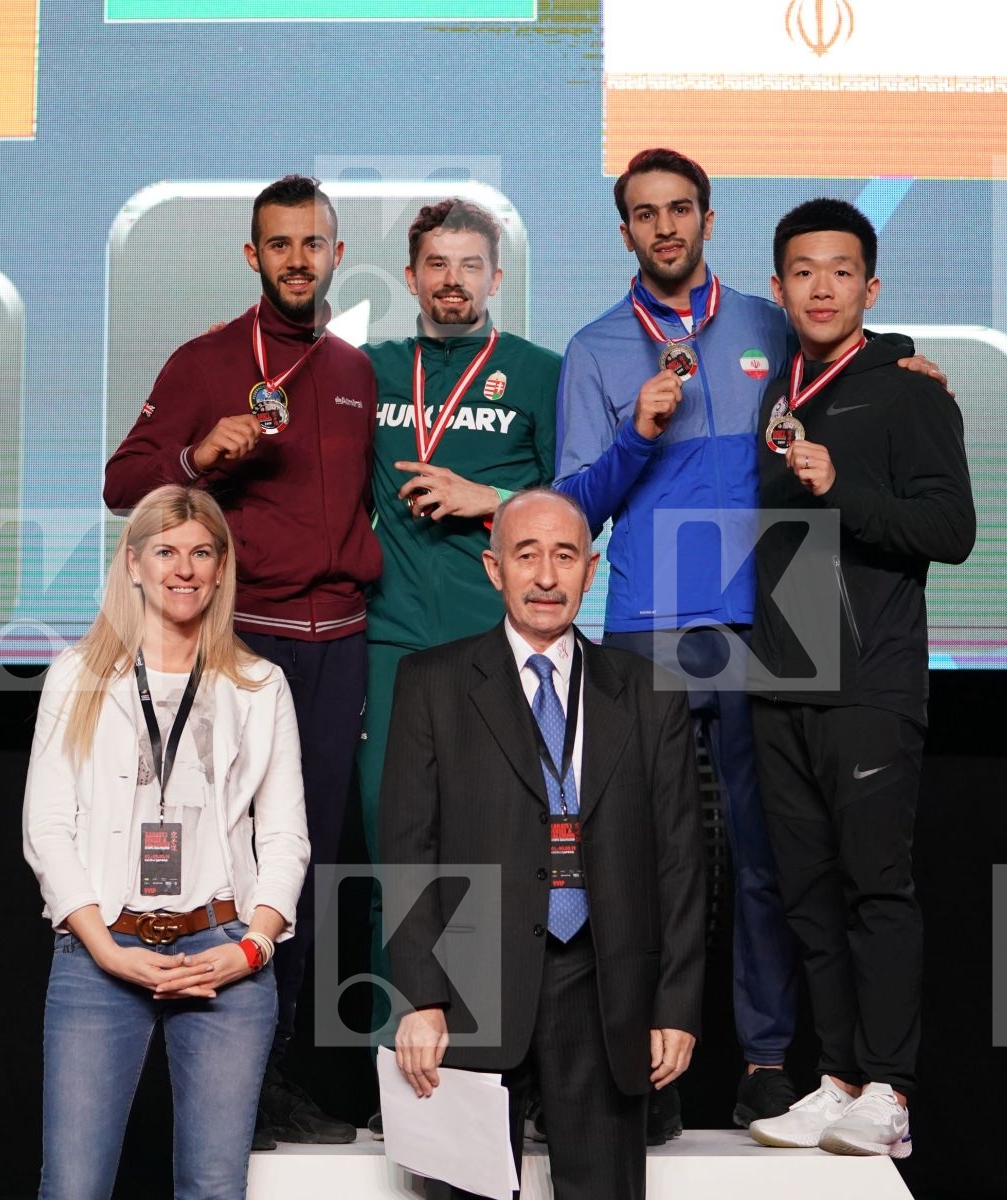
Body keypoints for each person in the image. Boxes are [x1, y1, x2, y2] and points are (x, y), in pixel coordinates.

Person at [553, 147, 949, 1134]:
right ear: (626, 232)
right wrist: (636, 437)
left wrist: (902, 351)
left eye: (680, 208)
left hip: (783, 617)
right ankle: (639, 1064)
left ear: (708, 217)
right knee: (637, 850)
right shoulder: (597, 347)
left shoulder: (773, 320)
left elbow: (846, 345)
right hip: (651, 616)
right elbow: (572, 509)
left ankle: (771, 1060)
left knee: (782, 857)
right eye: (645, 214)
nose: (665, 227)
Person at [102, 174, 376, 1145]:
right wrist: (193, 459)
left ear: (337, 255)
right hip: (244, 643)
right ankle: (225, 1075)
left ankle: (274, 1076)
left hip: (340, 646)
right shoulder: (207, 361)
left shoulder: (353, 368)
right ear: (252, 257)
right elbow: (121, 480)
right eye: (280, 244)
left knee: (307, 865)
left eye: (314, 244)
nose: (299, 259)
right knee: (229, 855)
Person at [382, 487, 706, 1199]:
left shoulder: (650, 693)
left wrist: (674, 1005)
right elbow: (407, 852)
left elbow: (682, 861)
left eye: (565, 557)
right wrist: (421, 996)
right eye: (527, 556)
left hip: (605, 989)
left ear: (592, 571)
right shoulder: (430, 683)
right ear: (494, 569)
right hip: (467, 992)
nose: (547, 576)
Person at [744, 198, 975, 1160]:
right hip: (784, 680)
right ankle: (836, 1075)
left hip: (871, 686)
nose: (822, 287)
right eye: (803, 271)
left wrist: (844, 486)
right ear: (779, 288)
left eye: (841, 271)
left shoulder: (912, 389)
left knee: (877, 888)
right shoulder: (781, 390)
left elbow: (950, 533)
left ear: (870, 287)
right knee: (807, 892)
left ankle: (890, 1090)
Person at [22, 485, 310, 1197]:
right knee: (73, 1186)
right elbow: (46, 829)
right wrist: (105, 950)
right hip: (100, 953)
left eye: (201, 553)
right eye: (166, 552)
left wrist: (249, 950)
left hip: (224, 956)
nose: (184, 569)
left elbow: (285, 837)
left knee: (214, 1187)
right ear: (134, 565)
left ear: (221, 569)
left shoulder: (259, 684)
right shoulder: (77, 676)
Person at [358, 198, 560, 1108]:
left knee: (495, 857)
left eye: (470, 265)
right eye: (436, 264)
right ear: (410, 279)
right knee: (390, 852)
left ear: (497, 277)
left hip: (502, 651)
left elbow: (578, 506)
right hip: (394, 645)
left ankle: (491, 1071)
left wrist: (488, 497)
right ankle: (391, 1076)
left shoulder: (539, 374)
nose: (453, 280)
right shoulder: (364, 374)